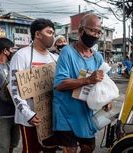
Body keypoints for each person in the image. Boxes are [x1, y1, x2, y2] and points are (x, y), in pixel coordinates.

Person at [53, 13, 108, 153]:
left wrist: (106, 100)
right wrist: (88, 80)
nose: (95, 35)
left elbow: (103, 84)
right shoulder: (67, 52)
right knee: (69, 150)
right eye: (92, 30)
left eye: (99, 32)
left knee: (89, 147)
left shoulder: (98, 57)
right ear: (80, 31)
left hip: (85, 114)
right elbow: (60, 84)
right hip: (65, 112)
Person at [9, 18, 58, 153]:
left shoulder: (55, 58)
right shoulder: (21, 56)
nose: (52, 36)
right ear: (37, 34)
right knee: (32, 150)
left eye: (54, 33)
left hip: (50, 116)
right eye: (49, 32)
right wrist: (27, 114)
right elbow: (14, 88)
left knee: (51, 149)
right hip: (30, 118)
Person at [0, 38, 20, 153]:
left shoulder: (9, 65)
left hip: (15, 113)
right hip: (1, 115)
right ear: (5, 50)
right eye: (11, 49)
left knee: (13, 144)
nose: (13, 51)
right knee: (2, 147)